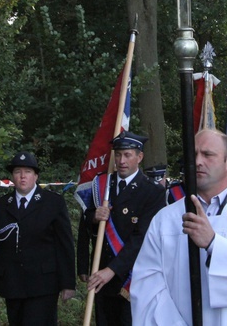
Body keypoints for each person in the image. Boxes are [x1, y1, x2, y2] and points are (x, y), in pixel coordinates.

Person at [130, 129, 227, 324]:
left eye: (207, 154)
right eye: (193, 154)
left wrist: (213, 244)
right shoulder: (165, 219)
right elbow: (147, 286)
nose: (198, 161)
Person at [85, 131, 166, 326]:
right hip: (102, 276)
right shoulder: (103, 185)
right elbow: (85, 223)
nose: (121, 160)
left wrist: (112, 270)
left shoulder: (153, 192)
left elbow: (142, 238)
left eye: (128, 155)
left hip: (134, 278)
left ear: (139, 157)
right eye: (118, 154)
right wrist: (94, 218)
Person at [0, 152, 75, 325]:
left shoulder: (53, 203)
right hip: (12, 284)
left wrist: (68, 283)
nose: (22, 176)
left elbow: (65, 246)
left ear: (36, 176)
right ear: (12, 176)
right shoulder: (0, 207)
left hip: (43, 284)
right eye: (18, 171)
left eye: (27, 171)